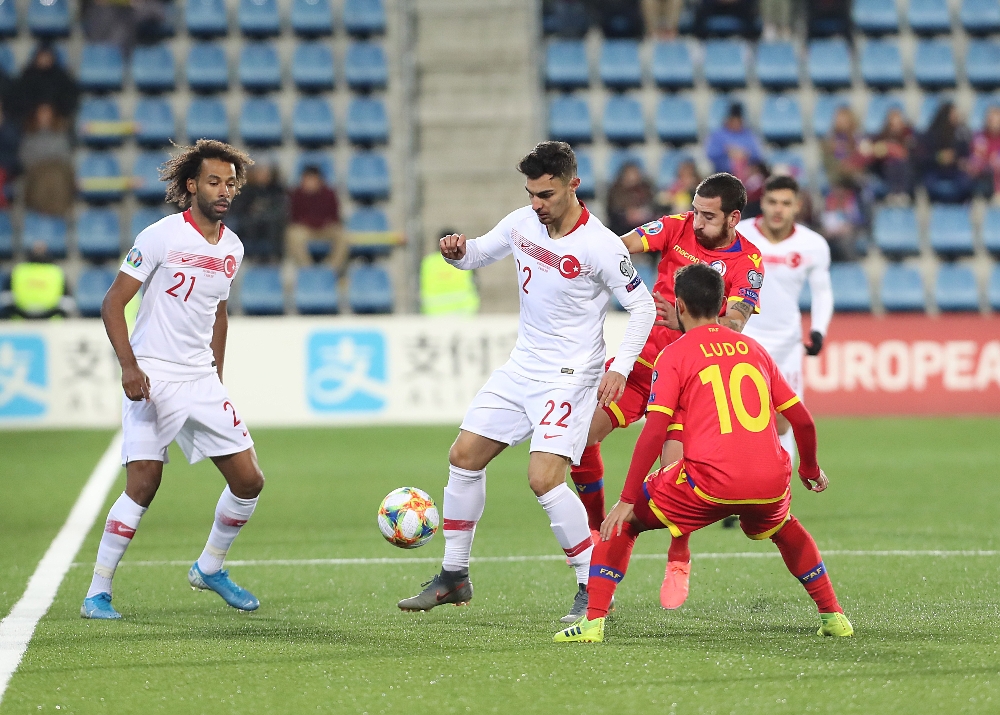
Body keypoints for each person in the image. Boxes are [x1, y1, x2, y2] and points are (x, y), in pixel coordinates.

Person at [396, 141, 656, 623]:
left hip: (570, 376)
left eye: (546, 195)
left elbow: (642, 306)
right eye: (531, 194)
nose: (537, 204)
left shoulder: (600, 244)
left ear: (573, 186)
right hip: (522, 367)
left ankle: (592, 584)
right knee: (464, 456)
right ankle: (454, 575)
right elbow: (477, 254)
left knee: (543, 479)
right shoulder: (522, 222)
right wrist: (457, 252)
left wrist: (620, 367)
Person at [554, 262, 854, 643]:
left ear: (679, 306)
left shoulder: (674, 354)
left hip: (709, 482)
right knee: (786, 528)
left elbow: (655, 432)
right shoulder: (756, 351)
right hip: (770, 481)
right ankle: (834, 615)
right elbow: (803, 421)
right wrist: (809, 469)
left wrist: (627, 500)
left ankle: (593, 621)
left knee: (624, 523)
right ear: (722, 304)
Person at [81, 140, 265, 620]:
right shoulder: (160, 236)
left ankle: (210, 566)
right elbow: (112, 302)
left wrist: (216, 376)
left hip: (200, 378)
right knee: (144, 483)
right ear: (191, 185)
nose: (224, 191)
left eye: (230, 183)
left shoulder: (232, 247)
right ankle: (98, 592)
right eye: (213, 181)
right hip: (153, 373)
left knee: (249, 481)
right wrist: (129, 365)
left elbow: (218, 314)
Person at [568, 173, 764, 610]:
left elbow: (735, 323)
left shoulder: (748, 262)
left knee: (673, 481)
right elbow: (621, 246)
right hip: (641, 367)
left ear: (733, 218)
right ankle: (596, 533)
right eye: (695, 210)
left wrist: (687, 323)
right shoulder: (677, 227)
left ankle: (679, 557)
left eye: (708, 216)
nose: (697, 221)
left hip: (690, 382)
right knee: (578, 439)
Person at [285, 166, 348, 274]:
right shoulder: (296, 195)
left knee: (343, 235)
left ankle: (331, 269)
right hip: (305, 229)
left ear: (319, 180)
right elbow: (294, 218)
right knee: (292, 234)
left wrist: (321, 223)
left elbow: (334, 216)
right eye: (307, 179)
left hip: (325, 228)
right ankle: (307, 269)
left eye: (312, 179)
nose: (309, 183)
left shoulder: (329, 194)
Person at [19, 103, 74, 218]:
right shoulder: (30, 136)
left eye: (47, 113)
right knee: (44, 179)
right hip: (37, 171)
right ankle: (43, 211)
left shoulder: (60, 135)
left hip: (57, 170)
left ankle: (57, 213)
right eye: (42, 113)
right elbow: (25, 157)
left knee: (57, 177)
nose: (45, 116)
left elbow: (65, 156)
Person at [228, 161, 287, 261]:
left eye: (265, 172)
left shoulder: (277, 190)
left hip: (271, 222)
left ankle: (274, 257)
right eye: (259, 172)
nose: (262, 175)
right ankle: (250, 256)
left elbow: (280, 209)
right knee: (247, 223)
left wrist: (265, 212)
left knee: (274, 225)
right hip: (251, 222)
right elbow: (239, 208)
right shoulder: (246, 190)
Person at [8, 44, 79, 124]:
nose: (44, 59)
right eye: (42, 56)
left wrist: (52, 109)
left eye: (47, 56)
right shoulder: (27, 76)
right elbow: (19, 98)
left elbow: (69, 97)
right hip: (30, 120)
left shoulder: (62, 77)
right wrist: (36, 110)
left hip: (57, 119)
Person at [919, 102, 974, 204]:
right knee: (928, 182)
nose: (956, 117)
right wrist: (939, 157)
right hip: (935, 169)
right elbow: (924, 157)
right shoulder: (931, 134)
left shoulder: (961, 133)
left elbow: (965, 154)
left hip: (955, 170)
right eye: (953, 114)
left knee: (966, 182)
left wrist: (958, 159)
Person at [2, 241, 73, 319]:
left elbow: (67, 301)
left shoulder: (19, 270)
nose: (38, 251)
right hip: (23, 318)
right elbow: (6, 297)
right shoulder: (19, 270)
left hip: (49, 318)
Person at [864, 107, 916, 202]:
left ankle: (902, 193)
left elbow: (910, 149)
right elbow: (876, 146)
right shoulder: (883, 134)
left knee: (902, 165)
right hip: (887, 164)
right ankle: (893, 193)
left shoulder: (907, 133)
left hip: (904, 163)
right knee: (891, 166)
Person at [706, 103, 764, 176]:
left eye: (738, 120)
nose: (735, 123)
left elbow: (758, 155)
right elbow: (710, 154)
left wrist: (745, 153)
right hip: (722, 173)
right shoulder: (718, 134)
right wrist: (727, 151)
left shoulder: (749, 134)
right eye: (733, 120)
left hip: (746, 174)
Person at [606, 162, 659, 237]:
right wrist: (627, 215)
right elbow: (613, 211)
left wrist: (643, 213)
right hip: (621, 229)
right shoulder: (615, 191)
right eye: (629, 174)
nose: (633, 177)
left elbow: (653, 206)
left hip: (644, 228)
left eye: (635, 174)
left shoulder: (645, 189)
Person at [969, 106, 1000, 201]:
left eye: (995, 120)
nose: (992, 122)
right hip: (984, 183)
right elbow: (975, 162)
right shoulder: (979, 137)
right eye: (989, 119)